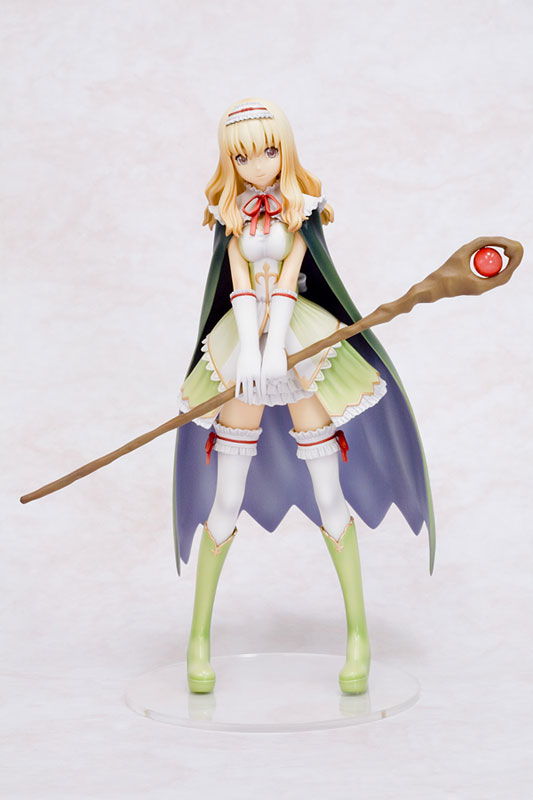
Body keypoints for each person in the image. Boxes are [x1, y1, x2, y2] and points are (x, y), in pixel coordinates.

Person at [174, 98, 434, 695]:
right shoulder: (231, 216)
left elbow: (291, 280)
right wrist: (251, 353)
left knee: (329, 492)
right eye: (243, 156)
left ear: (285, 150)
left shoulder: (300, 211)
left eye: (268, 151)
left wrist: (276, 352)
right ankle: (199, 638)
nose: (257, 166)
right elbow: (239, 287)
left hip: (299, 341)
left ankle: (358, 634)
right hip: (243, 342)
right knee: (226, 496)